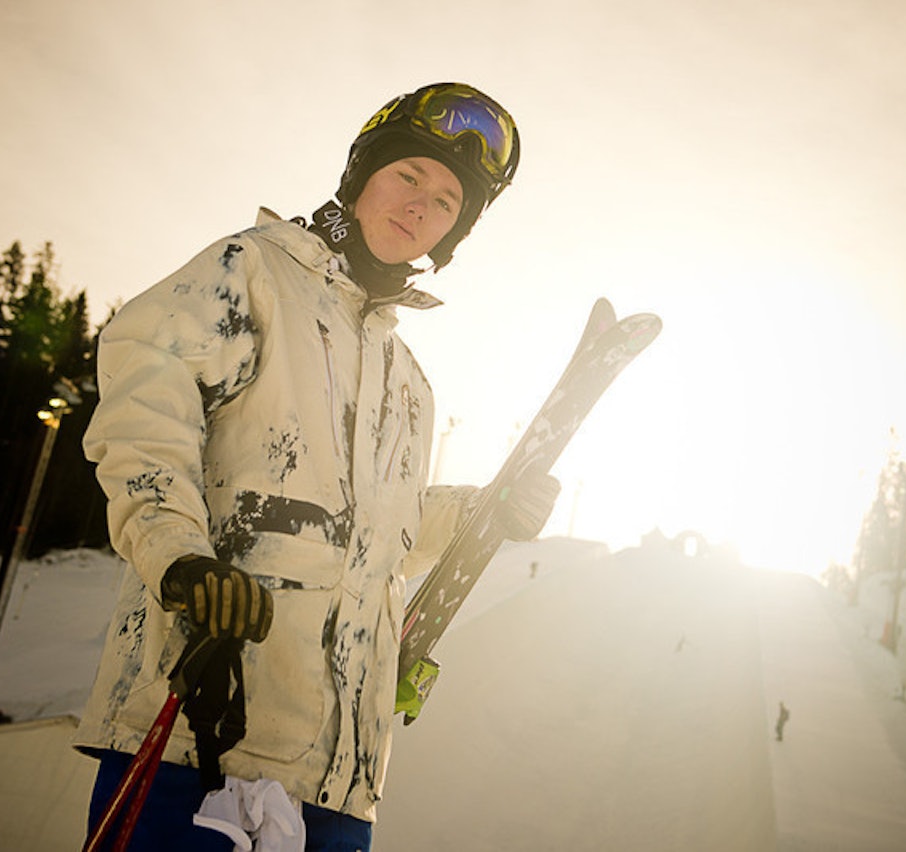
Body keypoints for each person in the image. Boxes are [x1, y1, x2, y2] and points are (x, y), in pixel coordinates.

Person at [76, 82, 559, 851]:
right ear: (362, 173)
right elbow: (145, 406)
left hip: (342, 781)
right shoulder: (254, 273)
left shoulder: (409, 380)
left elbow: (383, 529)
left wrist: (485, 511)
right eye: (409, 176)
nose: (419, 207)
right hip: (200, 735)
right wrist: (180, 557)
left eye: (445, 202)